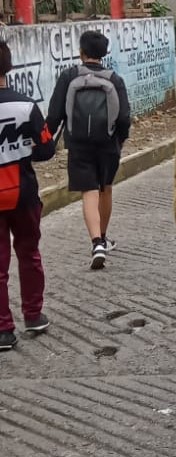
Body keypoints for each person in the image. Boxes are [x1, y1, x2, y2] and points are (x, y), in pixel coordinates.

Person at [45, 30, 131, 270]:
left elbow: (54, 115)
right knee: (105, 189)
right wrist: (120, 140)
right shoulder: (114, 79)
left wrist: (44, 139)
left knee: (89, 192)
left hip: (79, 144)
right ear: (103, 54)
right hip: (108, 143)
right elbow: (124, 117)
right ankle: (103, 238)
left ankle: (96, 244)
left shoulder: (68, 76)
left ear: (81, 53)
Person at [0, 37, 56, 351]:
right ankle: (33, 315)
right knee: (29, 256)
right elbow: (47, 148)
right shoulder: (25, 105)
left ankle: (3, 330)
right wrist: (22, 152)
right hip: (24, 194)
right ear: (8, 65)